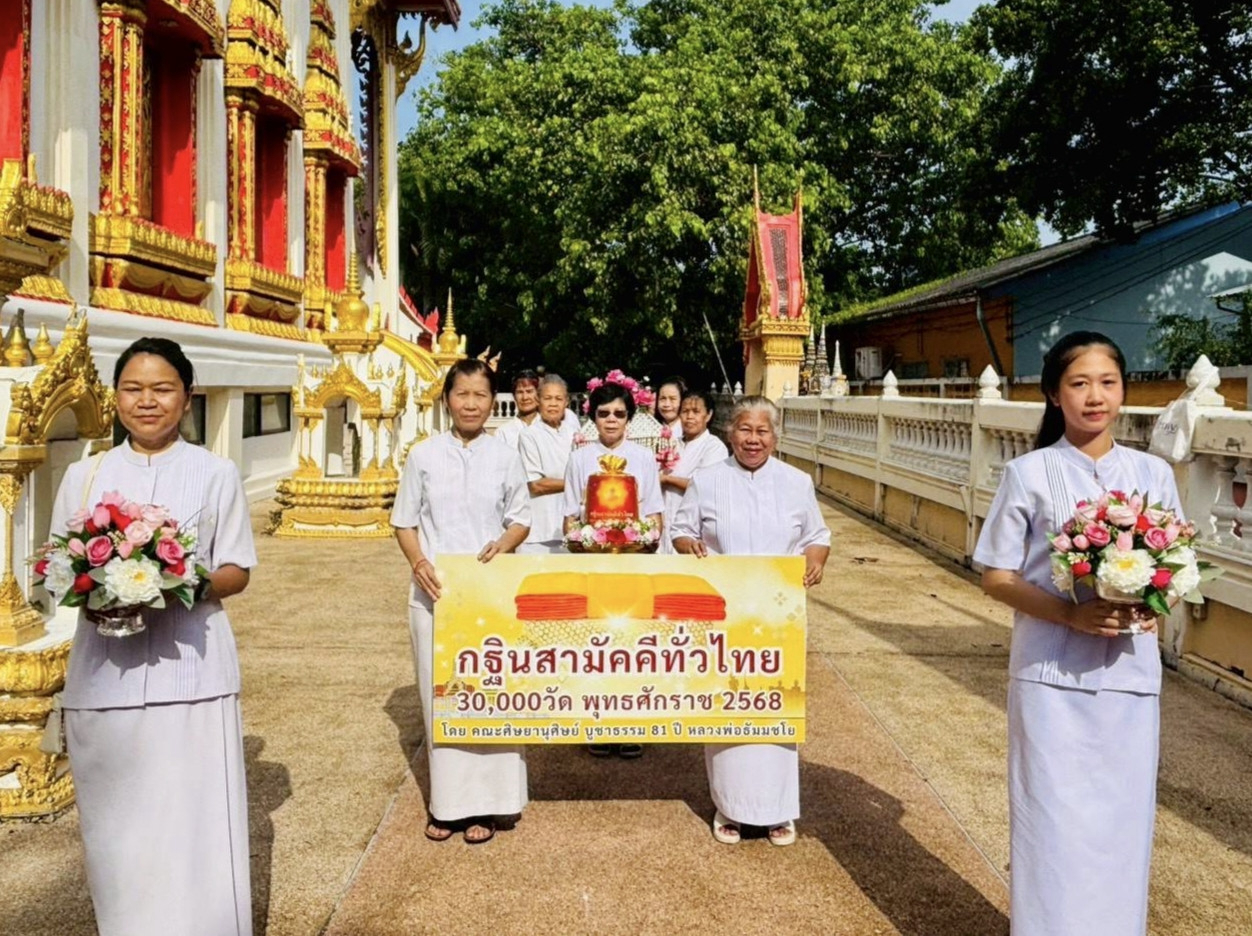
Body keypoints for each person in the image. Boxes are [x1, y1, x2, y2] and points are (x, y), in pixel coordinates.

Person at [48, 337, 256, 936]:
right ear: (113, 398)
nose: (147, 401)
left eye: (162, 389)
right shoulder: (85, 476)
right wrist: (96, 585)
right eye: (132, 389)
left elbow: (237, 569)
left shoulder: (215, 473)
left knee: (196, 824)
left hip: (192, 668)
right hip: (103, 673)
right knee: (118, 832)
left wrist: (173, 582)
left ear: (187, 397)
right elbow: (59, 569)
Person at [975, 332, 1179, 936]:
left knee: (1123, 822)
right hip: (1050, 676)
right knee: (1050, 822)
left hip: (1129, 676)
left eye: (1108, 383)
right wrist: (1069, 615)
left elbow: (1174, 569)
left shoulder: (1153, 474)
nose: (1095, 396)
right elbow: (996, 576)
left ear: (1123, 391)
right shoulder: (1028, 473)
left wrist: (1153, 606)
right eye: (1080, 383)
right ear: (1054, 394)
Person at [672, 395, 830, 847]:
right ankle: (730, 807)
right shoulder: (707, 480)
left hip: (778, 618)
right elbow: (681, 530)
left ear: (775, 437)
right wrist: (689, 546)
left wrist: (816, 560)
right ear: (730, 432)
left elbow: (817, 535)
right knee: (728, 706)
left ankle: (778, 809)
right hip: (724, 616)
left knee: (775, 705)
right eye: (745, 429)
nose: (753, 439)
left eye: (763, 431)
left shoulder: (797, 482)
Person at [392, 358, 532, 844]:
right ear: (447, 399)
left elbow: (520, 518)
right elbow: (404, 521)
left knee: (490, 694)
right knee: (443, 699)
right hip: (434, 596)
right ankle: (449, 806)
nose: (471, 404)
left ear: (492, 401)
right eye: (462, 394)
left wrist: (505, 544)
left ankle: (492, 804)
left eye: (480, 395)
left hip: (488, 595)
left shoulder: (505, 455)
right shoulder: (423, 455)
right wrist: (419, 563)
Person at [562, 380, 663, 758]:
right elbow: (569, 517)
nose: (611, 420)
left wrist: (642, 540)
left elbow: (655, 514)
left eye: (619, 413)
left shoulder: (643, 458)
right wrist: (586, 540)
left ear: (629, 418)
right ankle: (597, 724)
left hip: (634, 562)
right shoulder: (579, 459)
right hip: (593, 564)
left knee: (633, 644)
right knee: (595, 645)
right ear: (593, 417)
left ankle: (632, 724)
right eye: (603, 413)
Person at [658, 389, 728, 554]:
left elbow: (706, 487)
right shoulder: (673, 443)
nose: (689, 417)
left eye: (696, 412)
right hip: (665, 524)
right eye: (685, 411)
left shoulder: (714, 447)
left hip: (693, 532)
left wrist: (667, 480)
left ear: (708, 415)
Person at [518, 374, 577, 553]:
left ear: (566, 402)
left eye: (558, 399)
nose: (553, 404)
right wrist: (578, 484)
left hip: (573, 527)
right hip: (540, 530)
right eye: (548, 398)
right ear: (538, 401)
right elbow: (535, 485)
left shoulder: (574, 432)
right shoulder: (529, 435)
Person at [493, 369, 541, 450]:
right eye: (520, 392)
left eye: (529, 391)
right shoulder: (503, 433)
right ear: (514, 396)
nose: (525, 397)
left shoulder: (549, 428)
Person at [655, 376, 686, 441]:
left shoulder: (688, 431)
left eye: (672, 399)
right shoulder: (651, 429)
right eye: (663, 398)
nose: (667, 404)